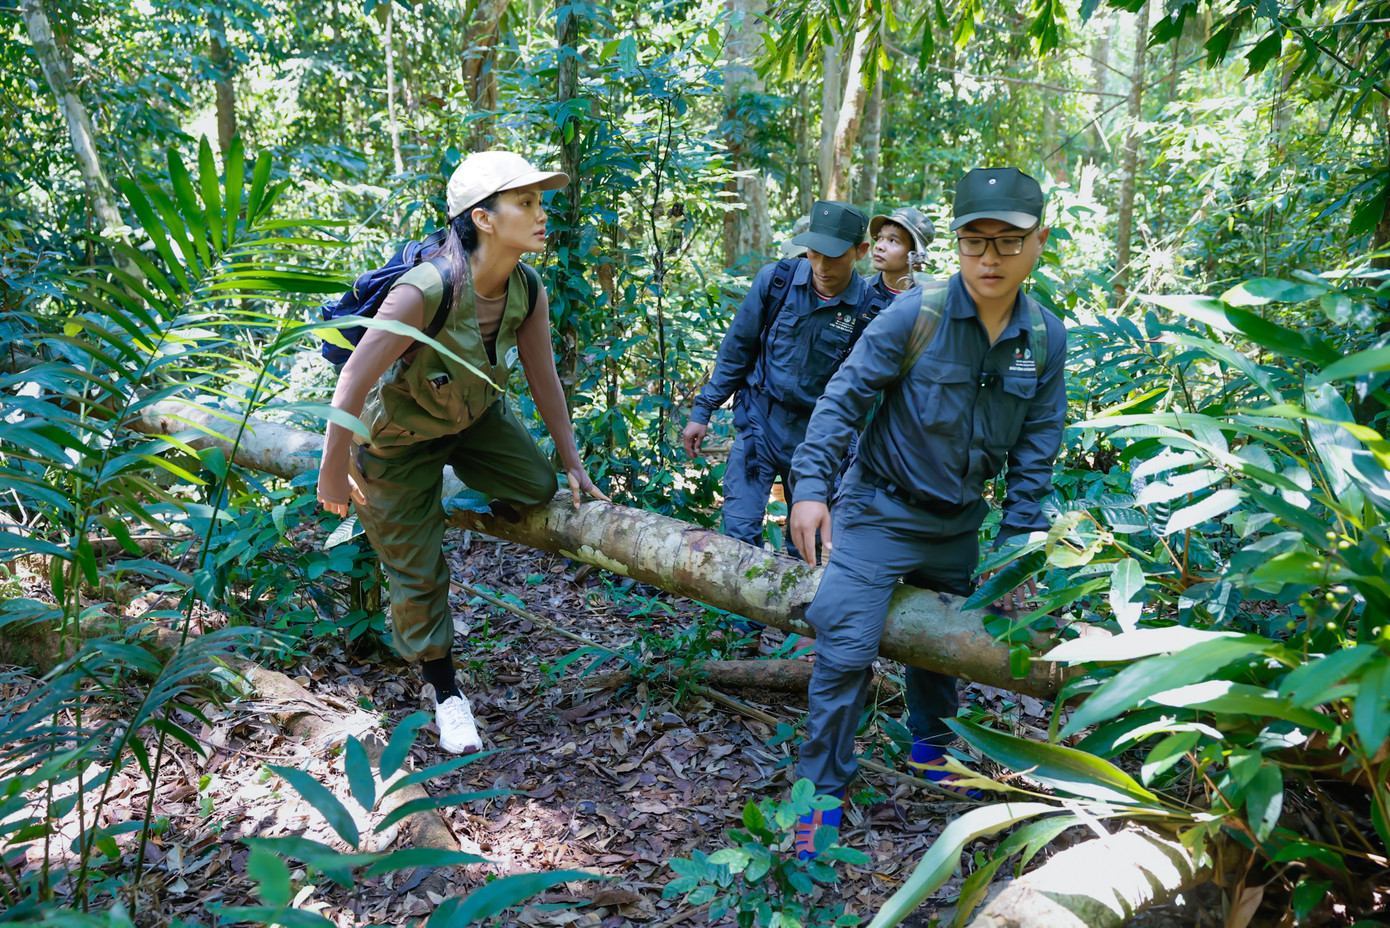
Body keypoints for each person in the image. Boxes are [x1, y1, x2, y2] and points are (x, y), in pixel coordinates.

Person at [784, 168, 1067, 858]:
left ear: (1039, 244)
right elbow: (845, 397)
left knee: (943, 647)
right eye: (975, 241)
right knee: (846, 649)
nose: (990, 258)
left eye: (1008, 241)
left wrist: (1018, 540)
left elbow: (1037, 446)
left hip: (959, 524)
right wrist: (812, 488)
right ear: (957, 245)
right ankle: (818, 796)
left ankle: (933, 750)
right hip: (880, 509)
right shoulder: (917, 314)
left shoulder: (1046, 339)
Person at [317, 151, 609, 755]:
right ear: (483, 218)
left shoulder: (526, 286)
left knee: (535, 487)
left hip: (474, 420)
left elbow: (544, 376)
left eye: (538, 200)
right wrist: (333, 471)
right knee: (419, 577)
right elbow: (351, 384)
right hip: (396, 443)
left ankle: (444, 488)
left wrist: (571, 459)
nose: (540, 213)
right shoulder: (426, 288)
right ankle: (447, 693)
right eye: (524, 202)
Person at [681, 201, 887, 553]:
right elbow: (737, 350)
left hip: (819, 439)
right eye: (815, 252)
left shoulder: (872, 311)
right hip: (759, 421)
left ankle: (793, 608)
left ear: (861, 251)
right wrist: (703, 411)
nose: (821, 265)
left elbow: (871, 393)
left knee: (804, 548)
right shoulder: (778, 281)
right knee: (738, 537)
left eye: (834, 256)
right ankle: (738, 608)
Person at [866, 206, 935, 300]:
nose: (879, 246)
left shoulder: (929, 298)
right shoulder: (860, 289)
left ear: (914, 254)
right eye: (880, 238)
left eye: (892, 241)